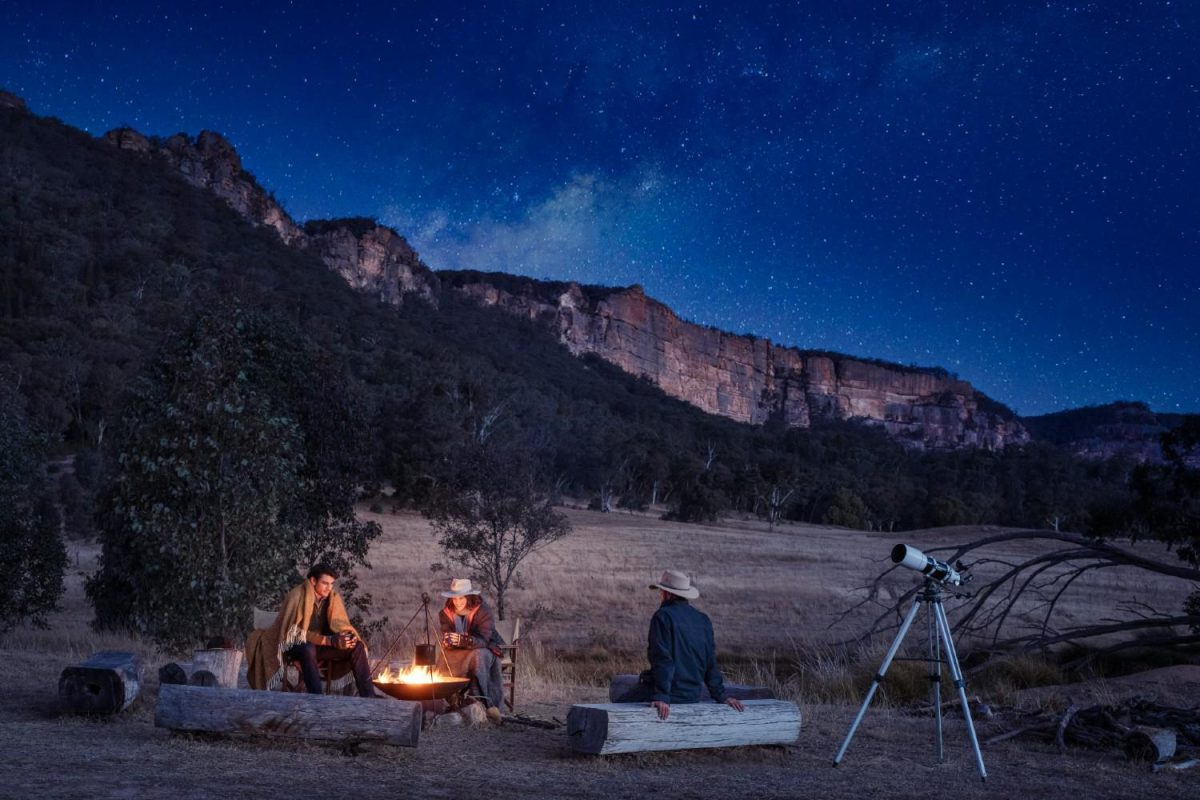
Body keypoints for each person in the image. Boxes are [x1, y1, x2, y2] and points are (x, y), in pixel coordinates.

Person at [622, 569, 745, 720]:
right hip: (693, 695)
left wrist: (661, 695)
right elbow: (710, 662)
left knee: (621, 701)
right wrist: (721, 695)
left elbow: (662, 659)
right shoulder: (703, 620)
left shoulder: (662, 617)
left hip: (670, 695)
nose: (660, 595)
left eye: (661, 591)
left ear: (668, 594)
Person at [246, 563, 374, 697]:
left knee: (357, 646)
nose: (329, 588)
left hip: (321, 646)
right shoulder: (296, 596)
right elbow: (293, 632)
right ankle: (316, 698)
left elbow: (340, 624)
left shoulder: (333, 598)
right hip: (294, 645)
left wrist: (346, 637)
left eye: (331, 584)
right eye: (325, 583)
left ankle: (369, 697)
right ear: (313, 580)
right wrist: (328, 640)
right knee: (308, 649)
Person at [438, 577, 505, 723]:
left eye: (461, 598)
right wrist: (448, 641)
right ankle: (451, 698)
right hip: (460, 650)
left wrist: (465, 640)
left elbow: (484, 639)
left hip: (486, 648)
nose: (457, 602)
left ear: (469, 597)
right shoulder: (446, 613)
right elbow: (446, 634)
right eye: (454, 598)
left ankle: (480, 701)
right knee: (444, 656)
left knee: (478, 655)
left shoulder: (483, 611)